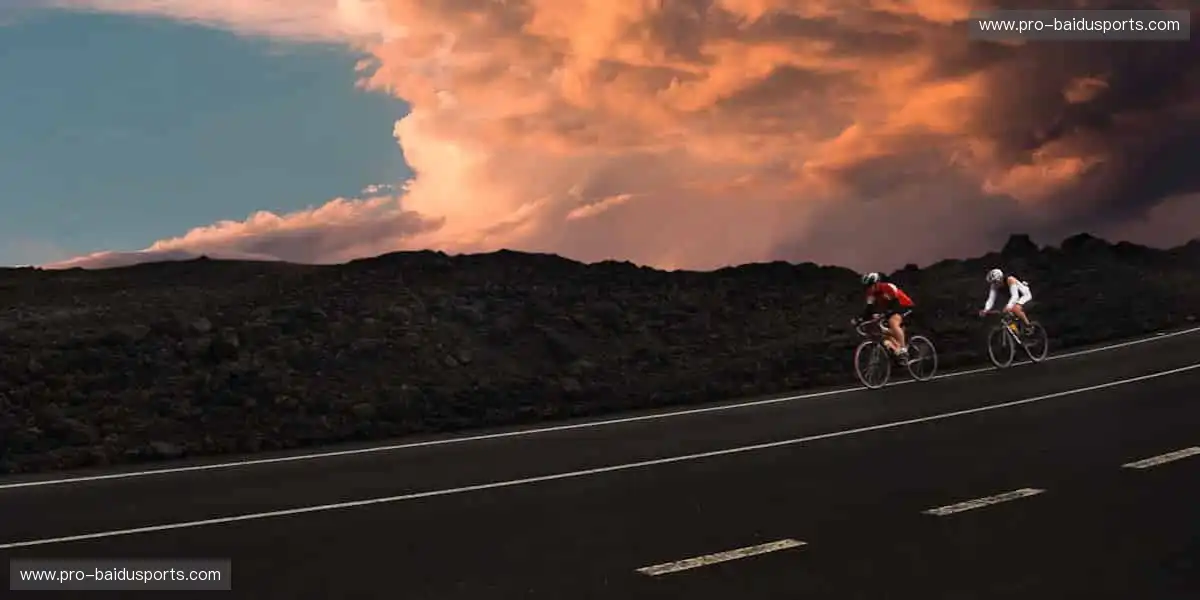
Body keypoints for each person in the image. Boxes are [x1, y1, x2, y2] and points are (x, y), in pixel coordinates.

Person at [854, 272, 915, 360]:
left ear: (877, 283)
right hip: (890, 311)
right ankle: (897, 351)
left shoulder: (888, 287)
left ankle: (903, 349)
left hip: (904, 306)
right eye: (867, 286)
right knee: (883, 333)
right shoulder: (870, 293)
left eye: (871, 285)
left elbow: (896, 302)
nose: (869, 288)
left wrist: (884, 314)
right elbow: (869, 309)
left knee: (892, 322)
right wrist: (860, 319)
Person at [978, 268, 1033, 333]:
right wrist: (986, 310)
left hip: (1024, 295)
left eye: (995, 282)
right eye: (992, 283)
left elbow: (1015, 296)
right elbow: (991, 299)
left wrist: (1009, 306)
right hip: (1014, 298)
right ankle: (1017, 333)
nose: (994, 284)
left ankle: (1029, 326)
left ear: (1000, 279)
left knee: (1015, 308)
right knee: (1006, 316)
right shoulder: (994, 285)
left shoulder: (1010, 279)